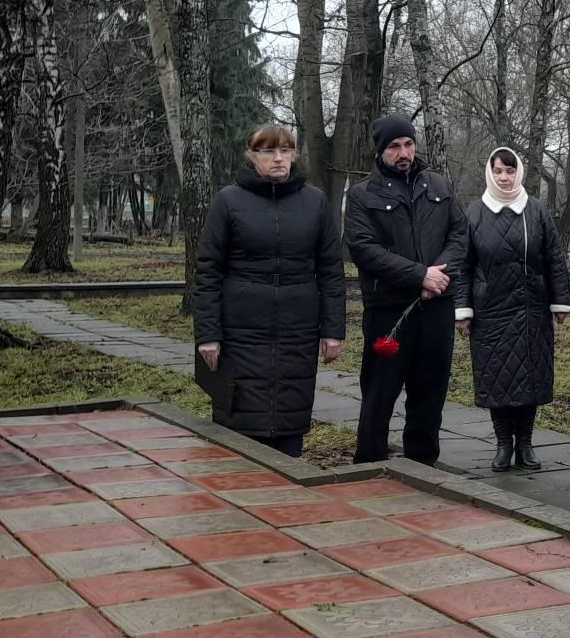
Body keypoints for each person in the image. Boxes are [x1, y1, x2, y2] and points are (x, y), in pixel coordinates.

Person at [192, 124, 346, 457]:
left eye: (285, 151)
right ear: (252, 156)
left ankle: (287, 478)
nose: (278, 158)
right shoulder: (228, 201)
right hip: (240, 332)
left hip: (298, 331)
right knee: (239, 423)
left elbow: (332, 272)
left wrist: (332, 329)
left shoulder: (315, 202)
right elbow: (208, 272)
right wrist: (208, 334)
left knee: (290, 417)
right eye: (269, 151)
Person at [343, 114, 467, 464]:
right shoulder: (362, 195)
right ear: (380, 151)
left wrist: (437, 276)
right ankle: (369, 465)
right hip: (389, 311)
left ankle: (422, 465)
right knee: (379, 394)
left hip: (437, 308)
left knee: (430, 395)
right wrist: (419, 276)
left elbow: (460, 234)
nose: (404, 153)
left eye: (409, 144)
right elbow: (364, 249)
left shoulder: (439, 186)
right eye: (395, 146)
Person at [458, 148, 570, 472]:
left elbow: (553, 258)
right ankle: (502, 444)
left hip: (531, 309)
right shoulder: (475, 212)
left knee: (530, 377)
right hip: (490, 312)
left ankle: (525, 444)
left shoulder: (536, 210)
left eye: (510, 171)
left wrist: (560, 301)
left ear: (519, 173)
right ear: (490, 173)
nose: (504, 177)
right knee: (497, 377)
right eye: (498, 171)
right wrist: (462, 309)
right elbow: (462, 265)